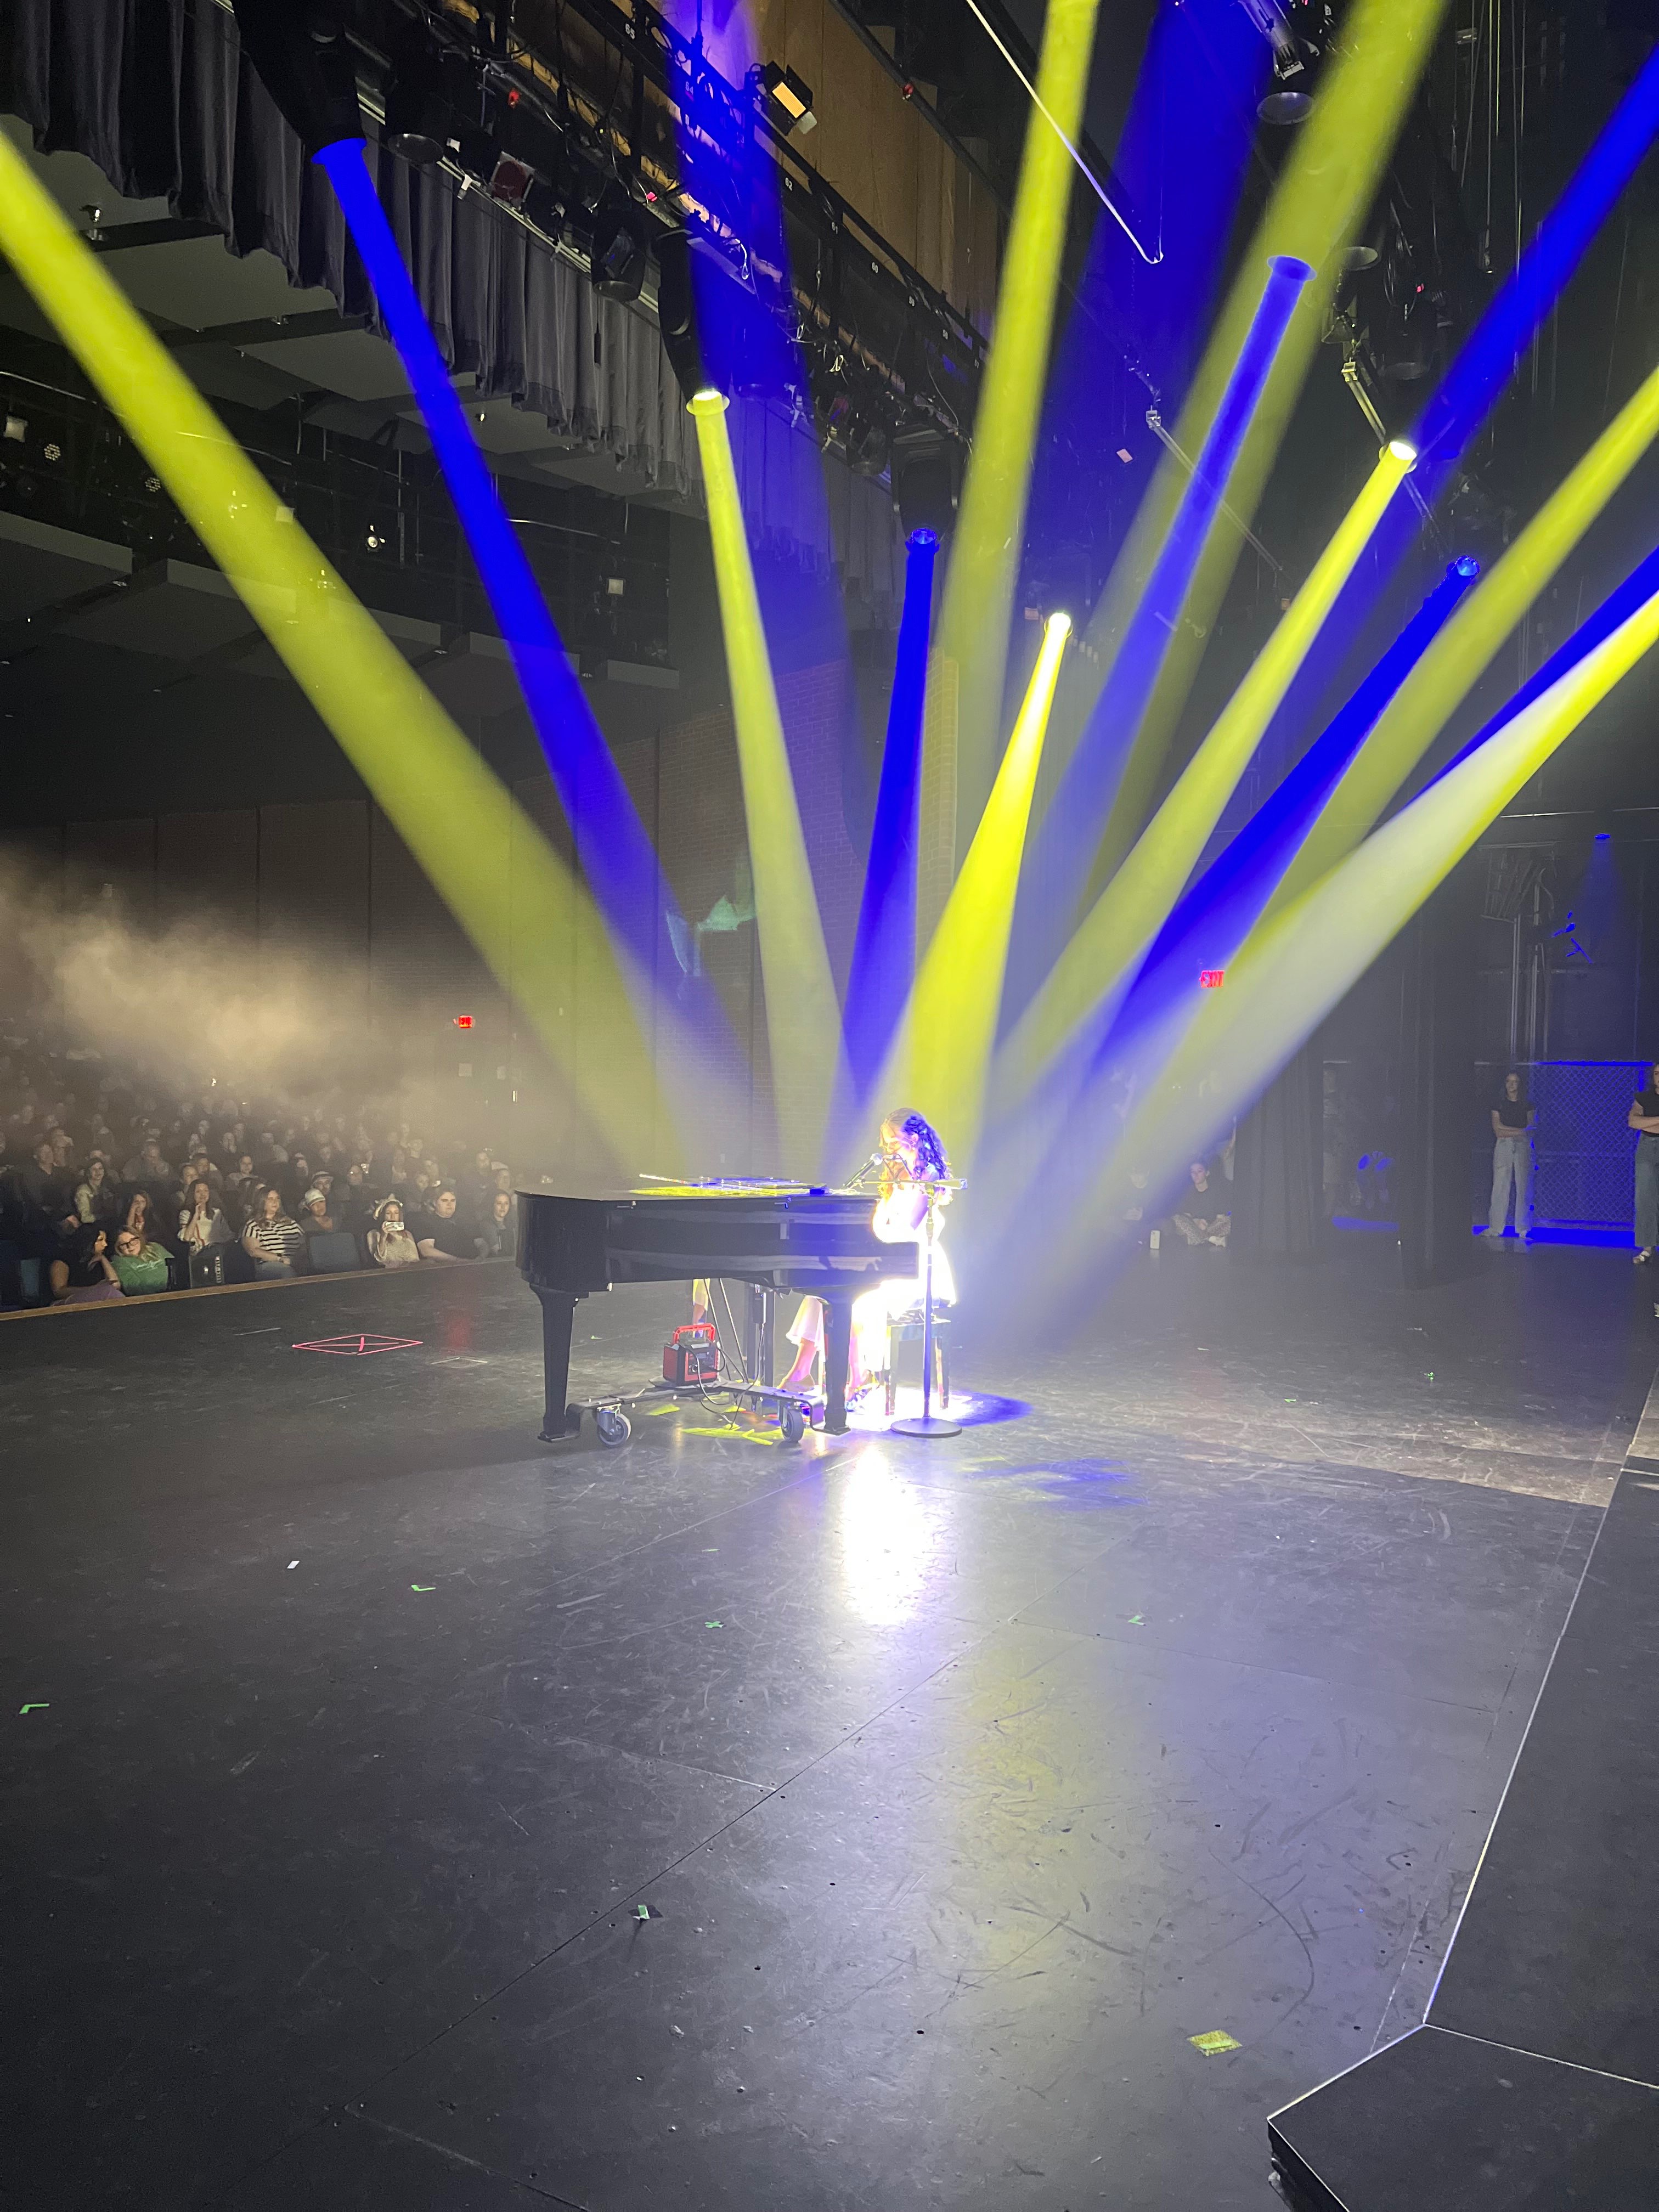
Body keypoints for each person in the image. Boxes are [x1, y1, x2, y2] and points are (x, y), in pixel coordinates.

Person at [780, 1109, 955, 1398]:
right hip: (883, 1257)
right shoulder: (894, 1173)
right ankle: (806, 1373)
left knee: (853, 1295)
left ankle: (851, 1376)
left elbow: (909, 1228)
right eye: (886, 1144)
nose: (889, 1150)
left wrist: (873, 1243)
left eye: (894, 1142)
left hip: (914, 1265)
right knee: (824, 1290)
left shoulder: (930, 1176)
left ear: (914, 1138)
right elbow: (880, 1220)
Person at [1487, 1071, 1536, 1244]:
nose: (1512, 1085)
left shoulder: (1527, 1104)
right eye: (1509, 1081)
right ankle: (1496, 1227)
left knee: (1524, 1185)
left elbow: (1531, 1127)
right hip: (1504, 1145)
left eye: (1515, 1081)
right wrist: (1519, 1131)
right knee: (1500, 1184)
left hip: (1522, 1146)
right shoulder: (1498, 1104)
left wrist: (1517, 1132)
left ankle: (1523, 1228)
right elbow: (1498, 1130)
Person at [241, 1186, 307, 1280]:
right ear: (262, 1202)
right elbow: (253, 1250)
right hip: (271, 1265)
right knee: (287, 1272)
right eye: (270, 1199)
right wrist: (280, 1258)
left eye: (277, 1199)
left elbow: (304, 1245)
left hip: (296, 1261)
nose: (275, 1202)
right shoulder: (253, 1224)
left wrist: (297, 1259)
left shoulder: (290, 1222)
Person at [1629, 1062, 1659, 1265]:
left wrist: (1648, 1121)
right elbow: (1633, 1122)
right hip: (1648, 1146)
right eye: (1657, 1073)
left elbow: (1642, 1122)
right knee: (1645, 1198)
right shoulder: (1644, 1098)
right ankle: (1647, 1246)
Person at [52, 1223, 123, 1304]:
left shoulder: (99, 1261)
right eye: (100, 1240)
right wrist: (94, 1289)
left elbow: (116, 1285)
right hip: (66, 1303)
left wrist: (103, 1259)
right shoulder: (64, 1260)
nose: (105, 1244)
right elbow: (59, 1291)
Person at [1172, 1159, 1231, 1248]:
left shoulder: (1217, 1193)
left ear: (1207, 1173)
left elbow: (1220, 1219)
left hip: (1212, 1228)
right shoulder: (1188, 1194)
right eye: (1193, 1172)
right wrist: (1197, 1222)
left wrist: (1207, 1226)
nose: (1196, 1175)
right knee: (1177, 1219)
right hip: (1195, 1228)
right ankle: (1211, 1239)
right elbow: (1186, 1218)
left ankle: (1199, 1239)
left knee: (1229, 1221)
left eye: (1199, 1171)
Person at [411, 1186, 473, 1262]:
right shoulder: (425, 1222)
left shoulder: (463, 1221)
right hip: (445, 1269)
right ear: (435, 1203)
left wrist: (481, 1258)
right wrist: (458, 1261)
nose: (449, 1204)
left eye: (453, 1201)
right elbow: (427, 1251)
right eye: (444, 1201)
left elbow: (479, 1243)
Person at [109, 1226, 171, 1295]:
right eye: (124, 1245)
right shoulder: (118, 1261)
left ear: (139, 1239)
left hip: (174, 1291)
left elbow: (175, 1267)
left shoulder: (155, 1247)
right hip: (151, 1299)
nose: (130, 1247)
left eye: (133, 1241)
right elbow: (133, 1288)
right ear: (118, 1247)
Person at [177, 1178, 232, 1254]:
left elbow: (227, 1235)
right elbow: (187, 1238)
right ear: (193, 1194)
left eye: (206, 1191)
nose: (203, 1194)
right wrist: (196, 1216)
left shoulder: (217, 1213)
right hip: (202, 1253)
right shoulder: (186, 1214)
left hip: (220, 1250)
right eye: (198, 1192)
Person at [367, 1195, 420, 1269]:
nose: (393, 1217)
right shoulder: (374, 1234)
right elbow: (380, 1260)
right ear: (383, 1215)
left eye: (396, 1213)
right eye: (388, 1213)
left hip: (410, 1271)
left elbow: (415, 1259)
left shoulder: (407, 1234)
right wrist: (383, 1237)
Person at [475, 1187, 516, 1260]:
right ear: (493, 1205)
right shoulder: (486, 1224)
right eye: (499, 1203)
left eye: (506, 1203)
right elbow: (497, 1250)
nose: (503, 1207)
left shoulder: (513, 1223)